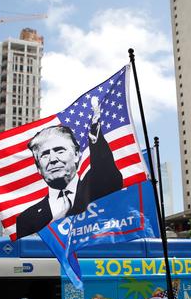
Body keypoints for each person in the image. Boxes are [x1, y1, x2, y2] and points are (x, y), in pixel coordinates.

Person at [16, 97, 123, 238]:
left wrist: (95, 134)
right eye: (45, 155)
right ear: (38, 168)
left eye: (60, 150)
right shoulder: (27, 219)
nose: (53, 159)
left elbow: (106, 171)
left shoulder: (96, 187)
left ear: (77, 155)